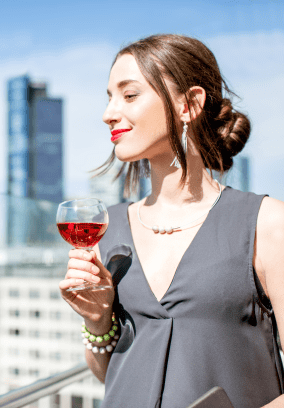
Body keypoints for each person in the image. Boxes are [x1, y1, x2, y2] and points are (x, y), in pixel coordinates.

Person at [59, 34, 284, 408]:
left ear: (189, 104)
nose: (108, 113)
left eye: (129, 95)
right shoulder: (108, 228)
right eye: (109, 97)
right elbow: (112, 372)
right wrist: (98, 322)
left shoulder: (267, 223)